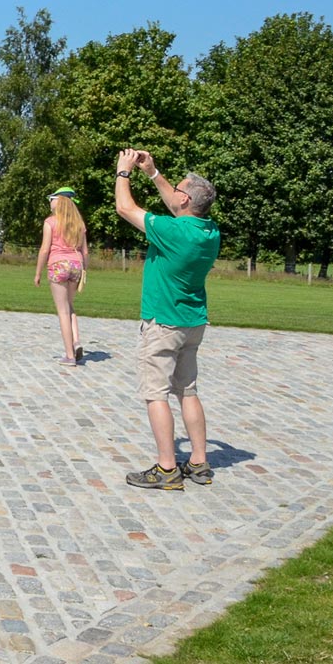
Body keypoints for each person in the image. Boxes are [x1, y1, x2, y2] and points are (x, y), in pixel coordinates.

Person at [114, 148, 220, 491]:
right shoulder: (209, 232)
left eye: (178, 188)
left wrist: (124, 172)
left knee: (155, 393)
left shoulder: (174, 232)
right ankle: (200, 463)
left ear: (186, 198)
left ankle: (167, 468)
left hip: (164, 323)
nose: (173, 192)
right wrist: (154, 173)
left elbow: (124, 208)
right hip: (193, 322)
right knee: (188, 390)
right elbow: (178, 206)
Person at [33, 186, 89, 365]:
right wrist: (84, 271)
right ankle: (76, 341)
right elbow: (85, 252)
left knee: (62, 311)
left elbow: (44, 249)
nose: (50, 202)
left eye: (52, 199)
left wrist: (38, 272)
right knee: (70, 306)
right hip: (76, 265)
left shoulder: (50, 222)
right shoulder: (79, 224)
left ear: (59, 202)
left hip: (58, 265)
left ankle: (69, 355)